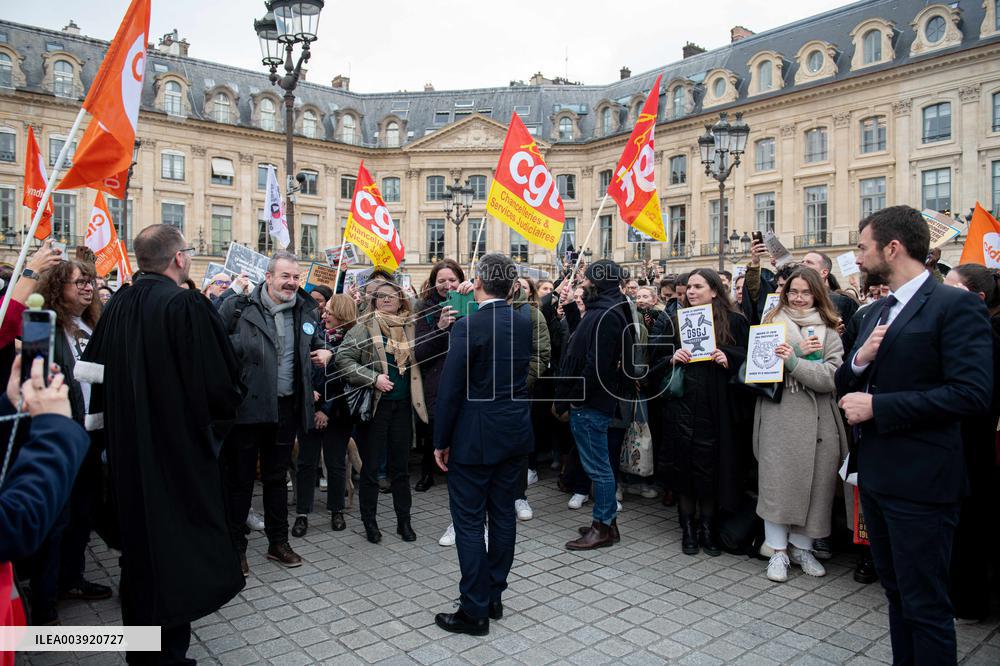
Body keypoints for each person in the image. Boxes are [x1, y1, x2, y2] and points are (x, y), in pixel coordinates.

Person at [79, 224, 245, 663]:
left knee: (139, 555)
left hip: (127, 455)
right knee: (175, 556)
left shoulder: (118, 305)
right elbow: (221, 386)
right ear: (178, 258)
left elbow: (93, 377)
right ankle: (167, 655)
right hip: (175, 458)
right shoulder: (186, 304)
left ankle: (143, 652)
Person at [835, 206, 992, 665]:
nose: (858, 258)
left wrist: (878, 407)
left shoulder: (955, 305)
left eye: (863, 248)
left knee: (926, 606)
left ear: (893, 248)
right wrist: (858, 362)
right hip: (878, 479)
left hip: (924, 484)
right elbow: (851, 384)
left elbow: (972, 394)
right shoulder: (875, 311)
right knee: (898, 597)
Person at [432, 254, 532, 636]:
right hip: (514, 431)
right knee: (503, 515)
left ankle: (474, 610)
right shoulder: (522, 322)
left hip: (475, 436)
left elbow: (451, 388)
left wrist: (440, 440)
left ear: (477, 282)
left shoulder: (468, 326)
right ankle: (493, 595)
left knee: (470, 521)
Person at [218, 251, 324, 572]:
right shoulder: (238, 307)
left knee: (278, 480)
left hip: (286, 409)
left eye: (295, 277)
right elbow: (212, 340)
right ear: (269, 277)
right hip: (247, 409)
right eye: (285, 276)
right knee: (241, 482)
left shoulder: (306, 310)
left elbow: (318, 341)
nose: (291, 283)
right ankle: (236, 549)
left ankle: (278, 543)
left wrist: (326, 352)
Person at [25, 260, 107, 625]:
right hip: (60, 435)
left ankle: (71, 579)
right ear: (59, 287)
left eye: (90, 282)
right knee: (55, 520)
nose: (88, 288)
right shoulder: (43, 326)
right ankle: (43, 601)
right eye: (79, 282)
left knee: (82, 514)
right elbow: (35, 376)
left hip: (93, 435)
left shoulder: (93, 323)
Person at [753, 267, 848, 582]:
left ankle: (802, 548)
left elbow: (832, 377)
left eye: (805, 292)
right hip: (780, 415)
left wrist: (794, 362)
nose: (798, 297)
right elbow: (758, 372)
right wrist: (785, 360)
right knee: (777, 483)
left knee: (817, 486)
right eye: (793, 291)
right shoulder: (770, 325)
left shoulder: (830, 331)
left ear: (817, 294)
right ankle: (777, 551)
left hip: (820, 421)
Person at [658, 268, 749, 556]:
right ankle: (687, 527)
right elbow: (655, 358)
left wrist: (728, 357)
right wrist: (673, 358)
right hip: (683, 405)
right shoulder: (676, 321)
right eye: (689, 287)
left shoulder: (735, 321)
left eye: (698, 286)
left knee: (711, 467)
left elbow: (750, 357)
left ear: (714, 290)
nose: (692, 291)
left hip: (717, 405)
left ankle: (708, 526)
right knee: (684, 465)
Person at [336, 279, 429, 544]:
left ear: (401, 300)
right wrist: (372, 378)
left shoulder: (411, 327)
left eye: (392, 295)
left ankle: (404, 522)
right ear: (373, 301)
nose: (387, 299)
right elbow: (343, 359)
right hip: (376, 409)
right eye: (381, 296)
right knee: (372, 468)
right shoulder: (364, 327)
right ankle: (370, 523)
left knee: (400, 469)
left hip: (402, 408)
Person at [555, 260, 636, 550]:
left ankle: (601, 527)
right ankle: (608, 522)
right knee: (597, 465)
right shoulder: (605, 309)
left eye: (586, 280)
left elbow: (596, 365)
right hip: (591, 400)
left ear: (598, 283)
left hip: (591, 402)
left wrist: (575, 396)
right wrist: (570, 313)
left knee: (599, 469)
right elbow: (582, 339)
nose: (582, 285)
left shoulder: (607, 314)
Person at [942, 264, 1000, 621]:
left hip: (974, 442)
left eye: (952, 287)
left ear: (978, 298)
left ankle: (968, 601)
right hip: (960, 443)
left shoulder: (985, 336)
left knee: (970, 522)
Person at [293, 294, 358, 536]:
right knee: (306, 463)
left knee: (335, 463)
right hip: (309, 410)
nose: (323, 314)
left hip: (338, 414)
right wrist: (308, 393)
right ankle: (302, 513)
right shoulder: (312, 333)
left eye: (329, 310)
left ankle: (336, 510)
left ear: (341, 312)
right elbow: (300, 364)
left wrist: (326, 410)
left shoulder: (354, 339)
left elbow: (346, 380)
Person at [412, 259, 465, 493]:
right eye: (441, 281)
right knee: (432, 429)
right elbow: (420, 352)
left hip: (464, 379)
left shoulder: (472, 303)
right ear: (433, 284)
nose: (447, 285)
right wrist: (440, 328)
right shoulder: (425, 309)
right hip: (436, 380)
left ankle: (458, 472)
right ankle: (427, 472)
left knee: (460, 428)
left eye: (452, 280)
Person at [801, 251, 859, 328]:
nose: (802, 264)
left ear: (824, 272)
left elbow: (852, 336)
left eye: (809, 262)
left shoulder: (843, 302)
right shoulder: (794, 299)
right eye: (802, 262)